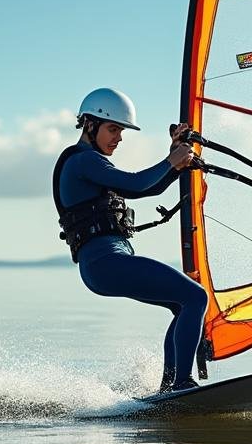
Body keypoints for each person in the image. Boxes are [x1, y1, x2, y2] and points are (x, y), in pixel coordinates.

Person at [52, 88, 206, 392]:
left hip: (106, 266)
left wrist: (176, 162)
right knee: (196, 297)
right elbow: (135, 183)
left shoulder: (93, 163)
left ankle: (170, 388)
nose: (118, 138)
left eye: (121, 130)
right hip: (106, 264)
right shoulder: (84, 161)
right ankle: (181, 384)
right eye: (113, 129)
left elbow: (146, 190)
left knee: (183, 303)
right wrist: (172, 161)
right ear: (90, 125)